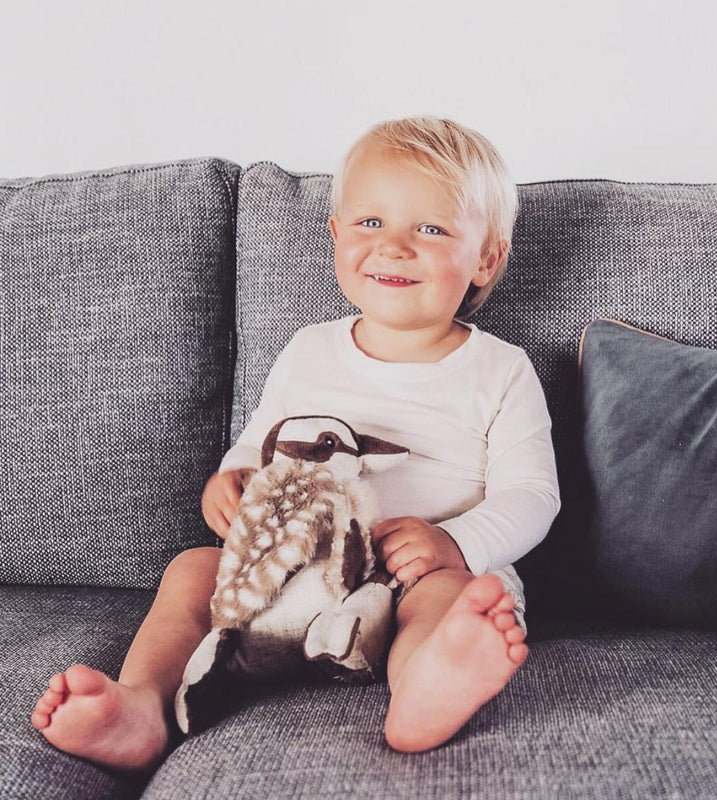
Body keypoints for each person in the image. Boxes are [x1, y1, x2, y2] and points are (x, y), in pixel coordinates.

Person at [30, 116, 560, 769]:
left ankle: (425, 688)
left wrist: (455, 542)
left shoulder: (501, 370)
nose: (393, 246)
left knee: (454, 600)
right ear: (335, 235)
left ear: (486, 257)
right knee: (193, 570)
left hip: (415, 576)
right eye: (370, 223)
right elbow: (261, 443)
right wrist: (236, 481)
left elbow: (533, 495)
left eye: (430, 228)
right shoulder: (310, 350)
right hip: (290, 575)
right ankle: (141, 704)